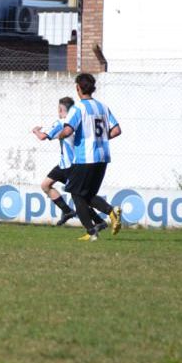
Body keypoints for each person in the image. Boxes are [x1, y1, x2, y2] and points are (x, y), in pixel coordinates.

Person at [57, 73, 123, 241]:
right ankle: (110, 212)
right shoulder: (102, 107)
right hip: (103, 157)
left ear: (78, 88)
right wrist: (99, 138)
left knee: (75, 193)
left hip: (86, 158)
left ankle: (92, 231)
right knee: (87, 195)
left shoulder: (77, 108)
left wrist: (60, 135)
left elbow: (68, 130)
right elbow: (116, 130)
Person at [32, 96, 77, 226]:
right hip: (69, 164)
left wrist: (35, 131)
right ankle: (67, 211)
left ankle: (100, 219)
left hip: (68, 166)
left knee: (81, 197)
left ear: (61, 109)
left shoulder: (60, 123)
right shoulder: (76, 122)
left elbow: (42, 137)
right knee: (45, 185)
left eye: (58, 109)